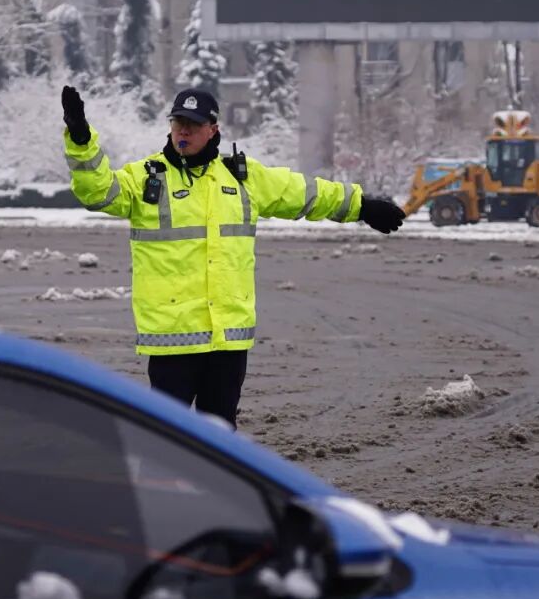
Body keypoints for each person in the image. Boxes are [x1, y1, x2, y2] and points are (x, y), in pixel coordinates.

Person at [61, 85, 404, 427]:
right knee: (167, 440)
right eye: (178, 122)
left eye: (193, 124)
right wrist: (80, 138)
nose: (184, 130)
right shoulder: (146, 178)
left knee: (221, 439)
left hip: (228, 341)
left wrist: (360, 205)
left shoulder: (243, 177)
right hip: (173, 343)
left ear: (213, 130)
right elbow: (98, 192)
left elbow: (304, 193)